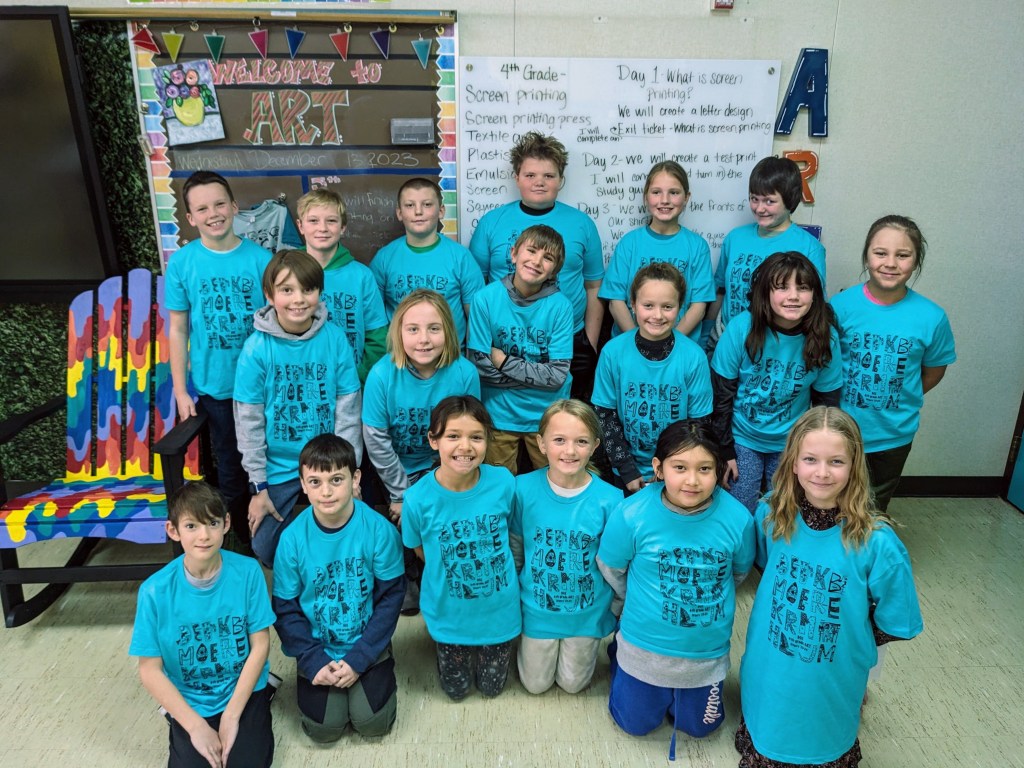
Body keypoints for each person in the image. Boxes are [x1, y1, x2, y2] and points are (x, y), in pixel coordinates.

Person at [737, 406, 923, 767]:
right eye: (810, 459)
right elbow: (764, 565)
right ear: (792, 463)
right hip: (769, 663)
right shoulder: (769, 515)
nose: (822, 473)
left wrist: (848, 639)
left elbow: (895, 619)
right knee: (772, 712)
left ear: (855, 466)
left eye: (836, 461)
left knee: (821, 726)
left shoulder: (878, 542)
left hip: (833, 673)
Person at [597, 421, 754, 758]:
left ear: (720, 470)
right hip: (644, 647)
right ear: (658, 468)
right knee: (633, 724)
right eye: (679, 467)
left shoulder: (738, 519)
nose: (692, 480)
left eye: (705, 469)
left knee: (701, 727)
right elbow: (612, 568)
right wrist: (633, 601)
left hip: (704, 655)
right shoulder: (632, 513)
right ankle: (620, 657)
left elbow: (737, 573)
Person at [129, 481, 275, 768]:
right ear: (173, 531)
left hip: (241, 688)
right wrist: (195, 726)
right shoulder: (154, 590)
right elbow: (149, 669)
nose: (204, 535)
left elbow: (260, 644)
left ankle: (264, 696)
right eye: (191, 526)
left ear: (226, 524)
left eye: (212, 523)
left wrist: (232, 715)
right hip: (191, 696)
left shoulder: (247, 572)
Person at [272, 434, 405, 743]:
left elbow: (390, 599)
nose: (326, 491)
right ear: (303, 484)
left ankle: (379, 661)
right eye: (315, 482)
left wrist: (362, 656)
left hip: (366, 641)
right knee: (324, 730)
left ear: (355, 478)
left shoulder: (379, 530)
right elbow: (285, 609)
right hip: (318, 645)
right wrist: (311, 658)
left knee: (373, 724)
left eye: (336, 479)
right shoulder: (292, 539)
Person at [234, 250, 362, 567]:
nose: (298, 299)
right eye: (286, 290)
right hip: (279, 468)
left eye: (307, 289)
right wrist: (258, 487)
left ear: (319, 293)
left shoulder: (334, 340)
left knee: (352, 539)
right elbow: (248, 423)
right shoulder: (256, 350)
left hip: (328, 462)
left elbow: (347, 412)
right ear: (269, 295)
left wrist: (349, 475)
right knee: (265, 548)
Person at [165, 171, 271, 545]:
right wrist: (181, 391)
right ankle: (239, 545)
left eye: (220, 204)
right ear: (191, 218)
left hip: (263, 387)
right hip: (217, 389)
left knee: (266, 461)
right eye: (202, 208)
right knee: (229, 467)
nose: (214, 213)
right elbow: (178, 329)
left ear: (234, 207)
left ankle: (269, 538)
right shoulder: (182, 263)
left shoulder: (260, 259)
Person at [362, 289, 481, 615]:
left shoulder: (463, 373)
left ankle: (441, 576)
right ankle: (406, 576)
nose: (424, 339)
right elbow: (375, 439)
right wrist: (401, 494)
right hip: (392, 468)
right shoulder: (382, 375)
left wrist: (437, 489)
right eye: (413, 329)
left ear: (449, 331)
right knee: (391, 527)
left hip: (443, 468)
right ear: (398, 332)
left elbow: (468, 438)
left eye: (434, 328)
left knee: (445, 521)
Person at [831, 215, 956, 511]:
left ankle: (867, 555)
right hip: (841, 430)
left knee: (873, 509)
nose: (890, 263)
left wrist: (900, 396)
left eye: (903, 255)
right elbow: (825, 366)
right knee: (831, 502)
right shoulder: (840, 306)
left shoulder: (932, 316)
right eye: (880, 253)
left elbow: (934, 370)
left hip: (894, 435)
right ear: (866, 255)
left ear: (916, 261)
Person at [401, 396, 521, 700]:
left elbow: (513, 532)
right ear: (433, 440)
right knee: (456, 691)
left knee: (492, 689)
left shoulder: (504, 482)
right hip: (448, 613)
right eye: (453, 436)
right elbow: (418, 548)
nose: (465, 447)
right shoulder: (416, 498)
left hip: (499, 612)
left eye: (476, 437)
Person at [469, 132, 604, 401]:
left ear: (561, 180)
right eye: (530, 175)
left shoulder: (582, 224)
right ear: (517, 177)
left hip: (566, 343)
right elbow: (477, 285)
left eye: (549, 176)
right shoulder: (491, 222)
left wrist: (589, 342)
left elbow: (594, 285)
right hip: (505, 340)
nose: (539, 182)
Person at [711, 252, 843, 513]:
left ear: (815, 295)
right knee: (740, 508)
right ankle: (744, 555)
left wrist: (816, 455)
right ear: (765, 293)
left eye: (802, 288)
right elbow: (721, 395)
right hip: (742, 437)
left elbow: (826, 406)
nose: (793, 296)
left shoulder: (827, 338)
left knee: (784, 509)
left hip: (792, 441)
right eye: (782, 287)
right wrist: (723, 451)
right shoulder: (741, 328)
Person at [508, 399, 622, 694]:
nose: (570, 451)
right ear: (541, 443)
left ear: (595, 445)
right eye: (559, 440)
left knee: (572, 685)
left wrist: (619, 603)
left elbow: (614, 563)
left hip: (586, 613)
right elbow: (517, 549)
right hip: (536, 610)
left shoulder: (611, 499)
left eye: (581, 441)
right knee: (535, 685)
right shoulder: (522, 489)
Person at [592, 262, 713, 492]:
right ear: (633, 305)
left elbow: (699, 424)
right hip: (626, 471)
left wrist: (671, 469)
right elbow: (605, 416)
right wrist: (627, 470)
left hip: (678, 471)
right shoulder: (613, 352)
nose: (657, 315)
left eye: (667, 306)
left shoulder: (694, 357)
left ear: (680, 307)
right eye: (648, 305)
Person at [468, 225, 574, 473]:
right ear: (514, 253)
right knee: (498, 486)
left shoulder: (560, 307)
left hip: (548, 418)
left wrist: (504, 362)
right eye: (532, 251)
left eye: (547, 258)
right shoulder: (485, 299)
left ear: (554, 270)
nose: (537, 261)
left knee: (553, 484)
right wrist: (534, 377)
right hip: (498, 414)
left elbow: (557, 376)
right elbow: (480, 365)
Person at [707, 156, 826, 350]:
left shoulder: (808, 247)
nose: (760, 208)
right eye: (754, 199)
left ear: (789, 200)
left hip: (774, 346)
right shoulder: (735, 238)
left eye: (769, 201)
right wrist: (706, 332)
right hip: (725, 340)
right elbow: (721, 290)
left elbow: (814, 305)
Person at [600, 161, 715, 344]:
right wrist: (638, 343)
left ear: (686, 197)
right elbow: (616, 301)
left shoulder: (697, 247)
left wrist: (670, 344)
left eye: (674, 192)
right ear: (646, 197)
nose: (665, 200)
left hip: (679, 347)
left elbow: (699, 306)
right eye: (656, 192)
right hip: (630, 346)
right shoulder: (629, 243)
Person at [370, 177, 485, 344]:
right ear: (399, 213)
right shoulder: (384, 258)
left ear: (441, 211)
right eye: (410, 205)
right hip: (400, 360)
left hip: (450, 360)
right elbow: (373, 318)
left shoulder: (461, 258)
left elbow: (477, 320)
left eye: (427, 204)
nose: (418, 211)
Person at [295, 188, 388, 384]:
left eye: (331, 220)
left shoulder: (361, 275)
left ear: (343, 227)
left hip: (352, 383)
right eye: (313, 221)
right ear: (300, 226)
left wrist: (359, 376)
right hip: (303, 382)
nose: (322, 228)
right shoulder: (287, 273)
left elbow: (377, 335)